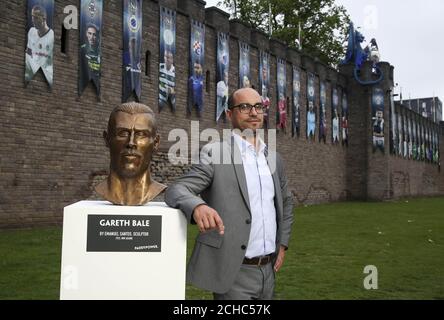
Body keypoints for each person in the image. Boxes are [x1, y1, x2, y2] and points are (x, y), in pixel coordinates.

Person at [165, 88, 294, 300]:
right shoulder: (215, 153)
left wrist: (283, 245)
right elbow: (177, 189)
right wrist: (198, 206)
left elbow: (286, 204)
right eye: (244, 107)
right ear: (229, 114)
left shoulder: (274, 159)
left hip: (268, 271)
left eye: (258, 107)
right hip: (234, 271)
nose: (253, 113)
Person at [95, 102, 166, 205]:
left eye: (141, 134)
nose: (131, 142)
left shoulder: (157, 190)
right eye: (122, 133)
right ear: (107, 139)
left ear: (156, 142)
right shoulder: (101, 189)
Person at [25, 5, 54, 85]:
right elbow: (28, 52)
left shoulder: (52, 36)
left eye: (36, 18)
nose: (33, 20)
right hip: (31, 72)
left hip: (46, 77)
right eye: (32, 17)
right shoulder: (31, 31)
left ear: (44, 19)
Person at [80, 24, 101, 88]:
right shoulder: (82, 49)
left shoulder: (100, 52)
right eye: (90, 33)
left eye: (94, 35)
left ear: (97, 36)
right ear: (86, 34)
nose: (91, 37)